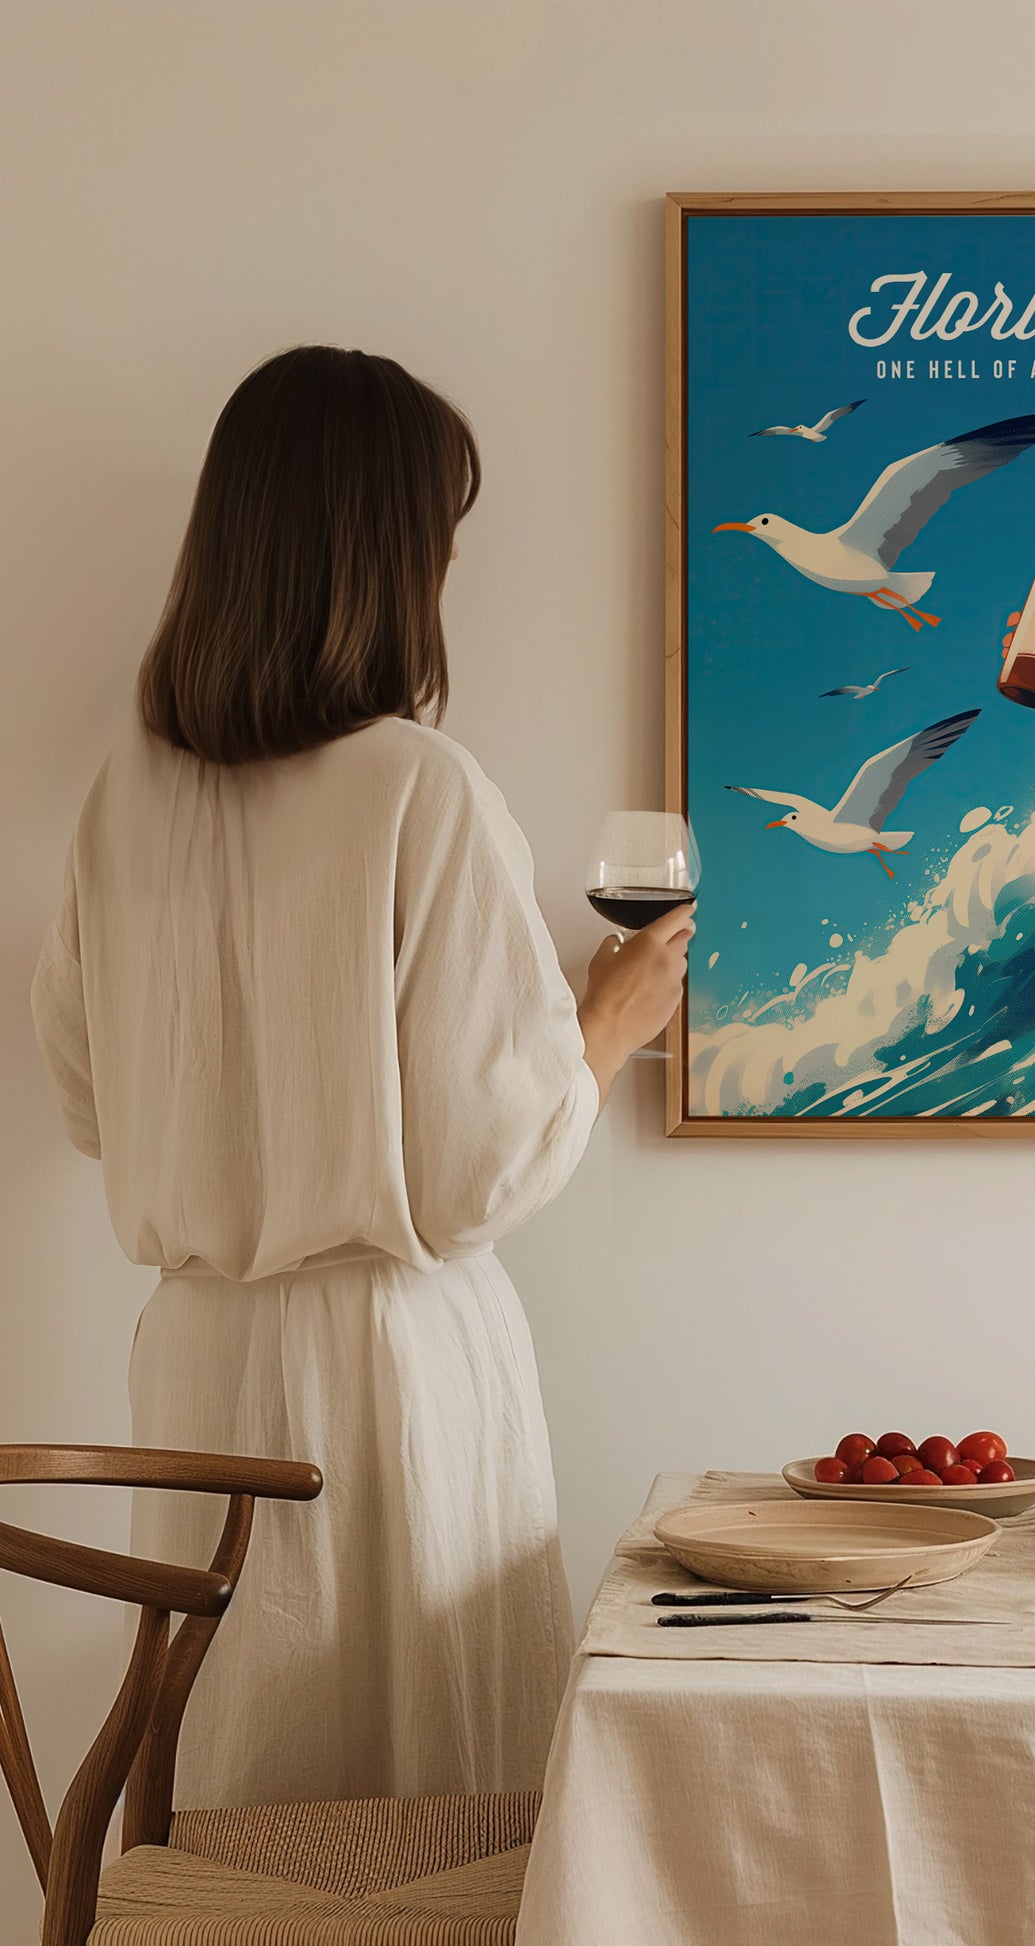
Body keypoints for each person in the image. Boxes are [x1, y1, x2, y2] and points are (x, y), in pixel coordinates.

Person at [29, 345, 690, 1806]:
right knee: (427, 1806)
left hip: (197, 1363)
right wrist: (605, 1023)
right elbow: (474, 1175)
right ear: (388, 553)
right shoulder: (418, 785)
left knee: (238, 1784)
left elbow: (87, 1100)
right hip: (391, 1370)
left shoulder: (124, 797)